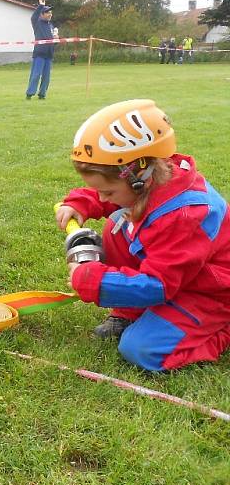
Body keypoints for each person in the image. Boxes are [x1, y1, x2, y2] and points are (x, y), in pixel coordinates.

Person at [55, 99, 230, 371]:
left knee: (140, 350)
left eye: (108, 192)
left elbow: (159, 285)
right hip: (179, 275)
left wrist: (92, 280)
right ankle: (130, 312)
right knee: (118, 222)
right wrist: (81, 202)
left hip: (209, 293)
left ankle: (219, 330)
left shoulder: (184, 214)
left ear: (140, 175)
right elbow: (118, 197)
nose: (103, 197)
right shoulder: (153, 180)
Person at [25, 0, 55, 100]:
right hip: (39, 54)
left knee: (46, 77)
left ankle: (42, 94)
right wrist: (41, 6)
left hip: (49, 55)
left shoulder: (51, 26)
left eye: (50, 13)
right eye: (47, 12)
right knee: (36, 74)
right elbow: (33, 17)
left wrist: (56, 39)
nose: (50, 14)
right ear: (42, 14)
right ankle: (30, 93)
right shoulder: (37, 23)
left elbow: (52, 40)